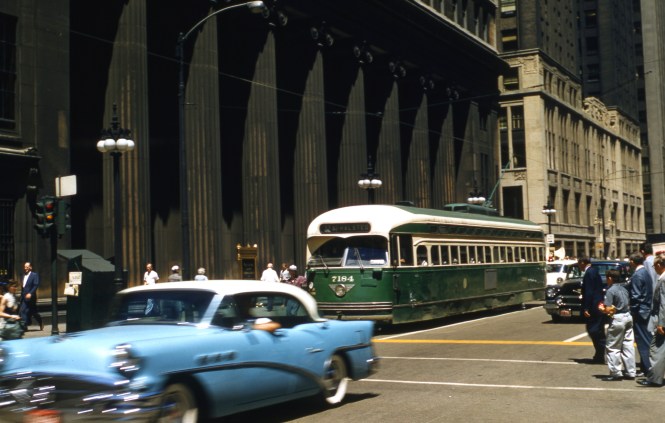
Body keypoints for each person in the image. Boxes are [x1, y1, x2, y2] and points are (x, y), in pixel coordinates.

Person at [598, 269, 636, 381]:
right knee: (628, 345)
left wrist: (602, 309)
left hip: (618, 318)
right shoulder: (624, 288)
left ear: (610, 278)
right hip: (628, 316)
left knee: (613, 346)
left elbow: (608, 308)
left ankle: (616, 372)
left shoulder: (611, 290)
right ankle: (630, 371)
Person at [639, 252, 665, 387]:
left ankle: (655, 378)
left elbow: (663, 303)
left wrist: (661, 323)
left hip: (662, 321)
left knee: (656, 350)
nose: (654, 268)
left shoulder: (663, 279)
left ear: (660, 265)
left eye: (655, 266)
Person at [627, 252, 653, 375]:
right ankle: (645, 367)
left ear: (632, 261)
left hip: (640, 311)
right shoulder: (646, 272)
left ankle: (648, 369)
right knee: (646, 338)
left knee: (643, 341)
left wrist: (630, 307)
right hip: (647, 309)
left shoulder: (637, 275)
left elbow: (636, 295)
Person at [578, 256, 606, 363]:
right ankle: (599, 354)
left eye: (579, 264)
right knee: (597, 329)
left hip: (593, 306)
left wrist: (586, 307)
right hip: (598, 303)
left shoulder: (589, 273)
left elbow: (589, 292)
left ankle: (600, 352)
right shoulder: (594, 271)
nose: (579, 266)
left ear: (583, 262)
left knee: (593, 330)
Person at [20, 262, 43, 331]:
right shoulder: (23, 275)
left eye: (27, 267)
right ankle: (24, 326)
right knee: (23, 311)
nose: (25, 268)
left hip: (31, 297)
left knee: (33, 312)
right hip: (24, 297)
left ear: (30, 267)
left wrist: (30, 293)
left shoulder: (34, 275)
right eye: (25, 267)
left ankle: (40, 322)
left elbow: (36, 285)